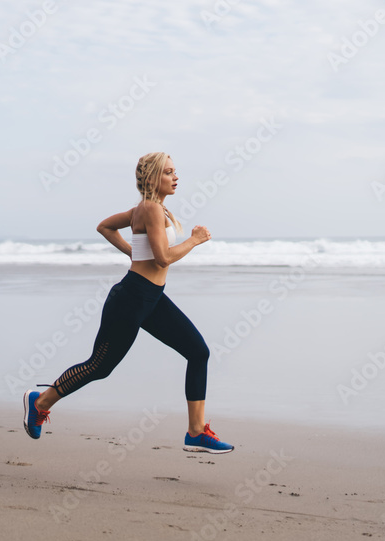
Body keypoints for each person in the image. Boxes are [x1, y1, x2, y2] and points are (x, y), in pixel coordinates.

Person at [22, 152, 234, 454]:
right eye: (168, 172)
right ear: (151, 178)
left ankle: (196, 432)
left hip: (153, 298)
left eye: (175, 172)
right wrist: (195, 240)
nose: (176, 177)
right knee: (98, 367)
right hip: (131, 298)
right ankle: (39, 401)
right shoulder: (148, 208)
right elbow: (163, 257)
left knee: (198, 352)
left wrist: (133, 253)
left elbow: (105, 227)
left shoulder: (151, 209)